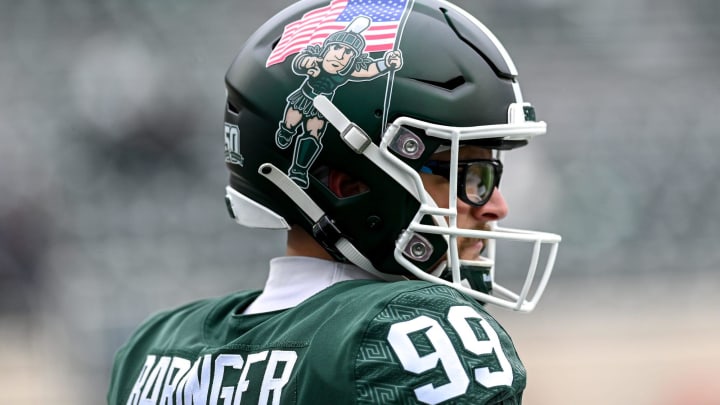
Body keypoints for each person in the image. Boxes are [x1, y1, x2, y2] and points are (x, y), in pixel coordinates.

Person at [107, 0, 561, 404]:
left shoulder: (153, 353)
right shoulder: (411, 335)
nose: (495, 206)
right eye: (465, 174)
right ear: (345, 184)